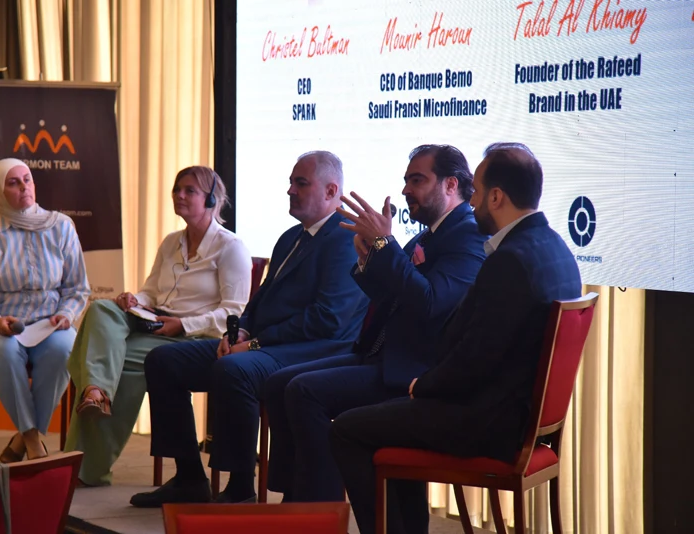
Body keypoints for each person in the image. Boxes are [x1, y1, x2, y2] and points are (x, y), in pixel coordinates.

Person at [329, 143, 583, 534]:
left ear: (496, 197)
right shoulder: (556, 249)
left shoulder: (509, 260)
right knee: (383, 417)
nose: (472, 201)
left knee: (347, 429)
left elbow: (475, 358)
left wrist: (422, 387)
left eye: (476, 192)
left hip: (487, 420)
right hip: (516, 416)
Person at [129, 150, 367, 507]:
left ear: (331, 191)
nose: (290, 190)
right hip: (268, 344)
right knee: (164, 361)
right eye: (291, 182)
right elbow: (261, 299)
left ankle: (240, 486)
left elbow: (328, 318)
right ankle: (189, 478)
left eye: (301, 183)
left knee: (234, 369)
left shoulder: (345, 239)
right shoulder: (292, 237)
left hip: (313, 351)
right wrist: (239, 331)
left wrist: (256, 344)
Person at [263, 144, 487, 503]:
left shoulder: (468, 236)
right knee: (278, 384)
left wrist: (385, 244)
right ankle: (297, 498)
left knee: (304, 392)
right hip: (382, 354)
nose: (405, 190)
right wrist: (369, 258)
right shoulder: (428, 234)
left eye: (417, 180)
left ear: (451, 185)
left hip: (414, 370)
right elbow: (391, 297)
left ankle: (320, 510)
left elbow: (430, 303)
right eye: (406, 180)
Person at [64, 165, 252, 486]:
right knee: (102, 310)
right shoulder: (171, 242)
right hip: (154, 323)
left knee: (115, 360)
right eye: (177, 189)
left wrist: (182, 324)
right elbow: (150, 291)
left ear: (211, 199)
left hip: (195, 338)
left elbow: (234, 313)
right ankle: (97, 392)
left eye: (189, 190)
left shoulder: (230, 247)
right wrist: (134, 300)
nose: (179, 195)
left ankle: (83, 463)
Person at [0, 158, 90, 462]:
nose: (23, 187)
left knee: (64, 349)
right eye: (13, 182)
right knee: (5, 351)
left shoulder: (61, 227)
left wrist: (66, 314)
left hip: (48, 323)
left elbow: (77, 288)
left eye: (27, 179)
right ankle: (33, 442)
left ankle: (21, 440)